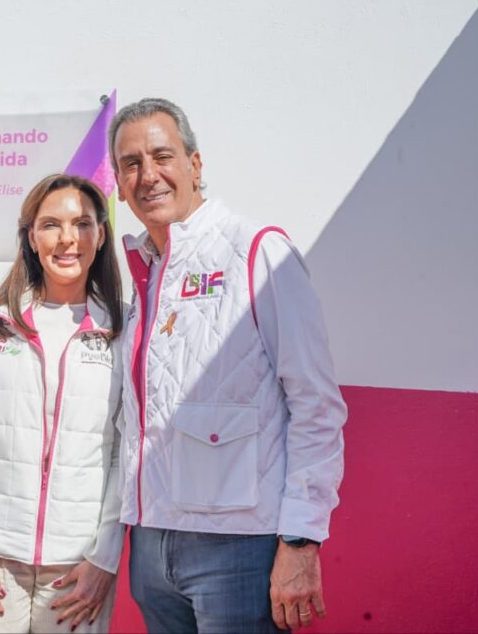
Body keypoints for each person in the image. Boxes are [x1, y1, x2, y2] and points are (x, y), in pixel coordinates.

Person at [108, 98, 347, 633]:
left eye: (162, 156)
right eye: (131, 164)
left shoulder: (258, 251)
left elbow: (315, 404)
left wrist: (301, 539)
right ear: (119, 184)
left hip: (239, 550)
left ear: (195, 165)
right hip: (150, 545)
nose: (148, 175)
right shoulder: (145, 268)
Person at [0, 174, 127, 633]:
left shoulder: (124, 327)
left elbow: (125, 452)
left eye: (82, 224)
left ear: (100, 235)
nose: (67, 239)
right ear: (31, 236)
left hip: (77, 568)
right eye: (51, 225)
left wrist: (104, 559)